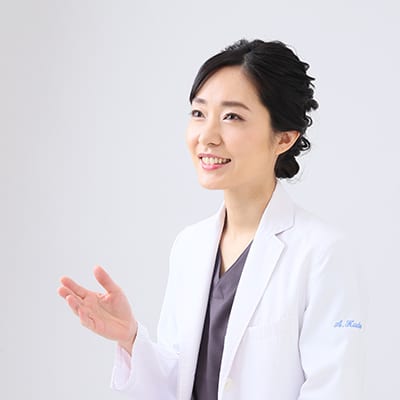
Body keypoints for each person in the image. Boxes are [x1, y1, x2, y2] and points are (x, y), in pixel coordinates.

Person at [58, 39, 365, 400]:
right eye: (199, 113)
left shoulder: (322, 254)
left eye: (232, 117)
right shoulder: (189, 245)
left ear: (283, 138)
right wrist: (130, 338)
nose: (207, 136)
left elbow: (335, 388)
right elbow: (181, 383)